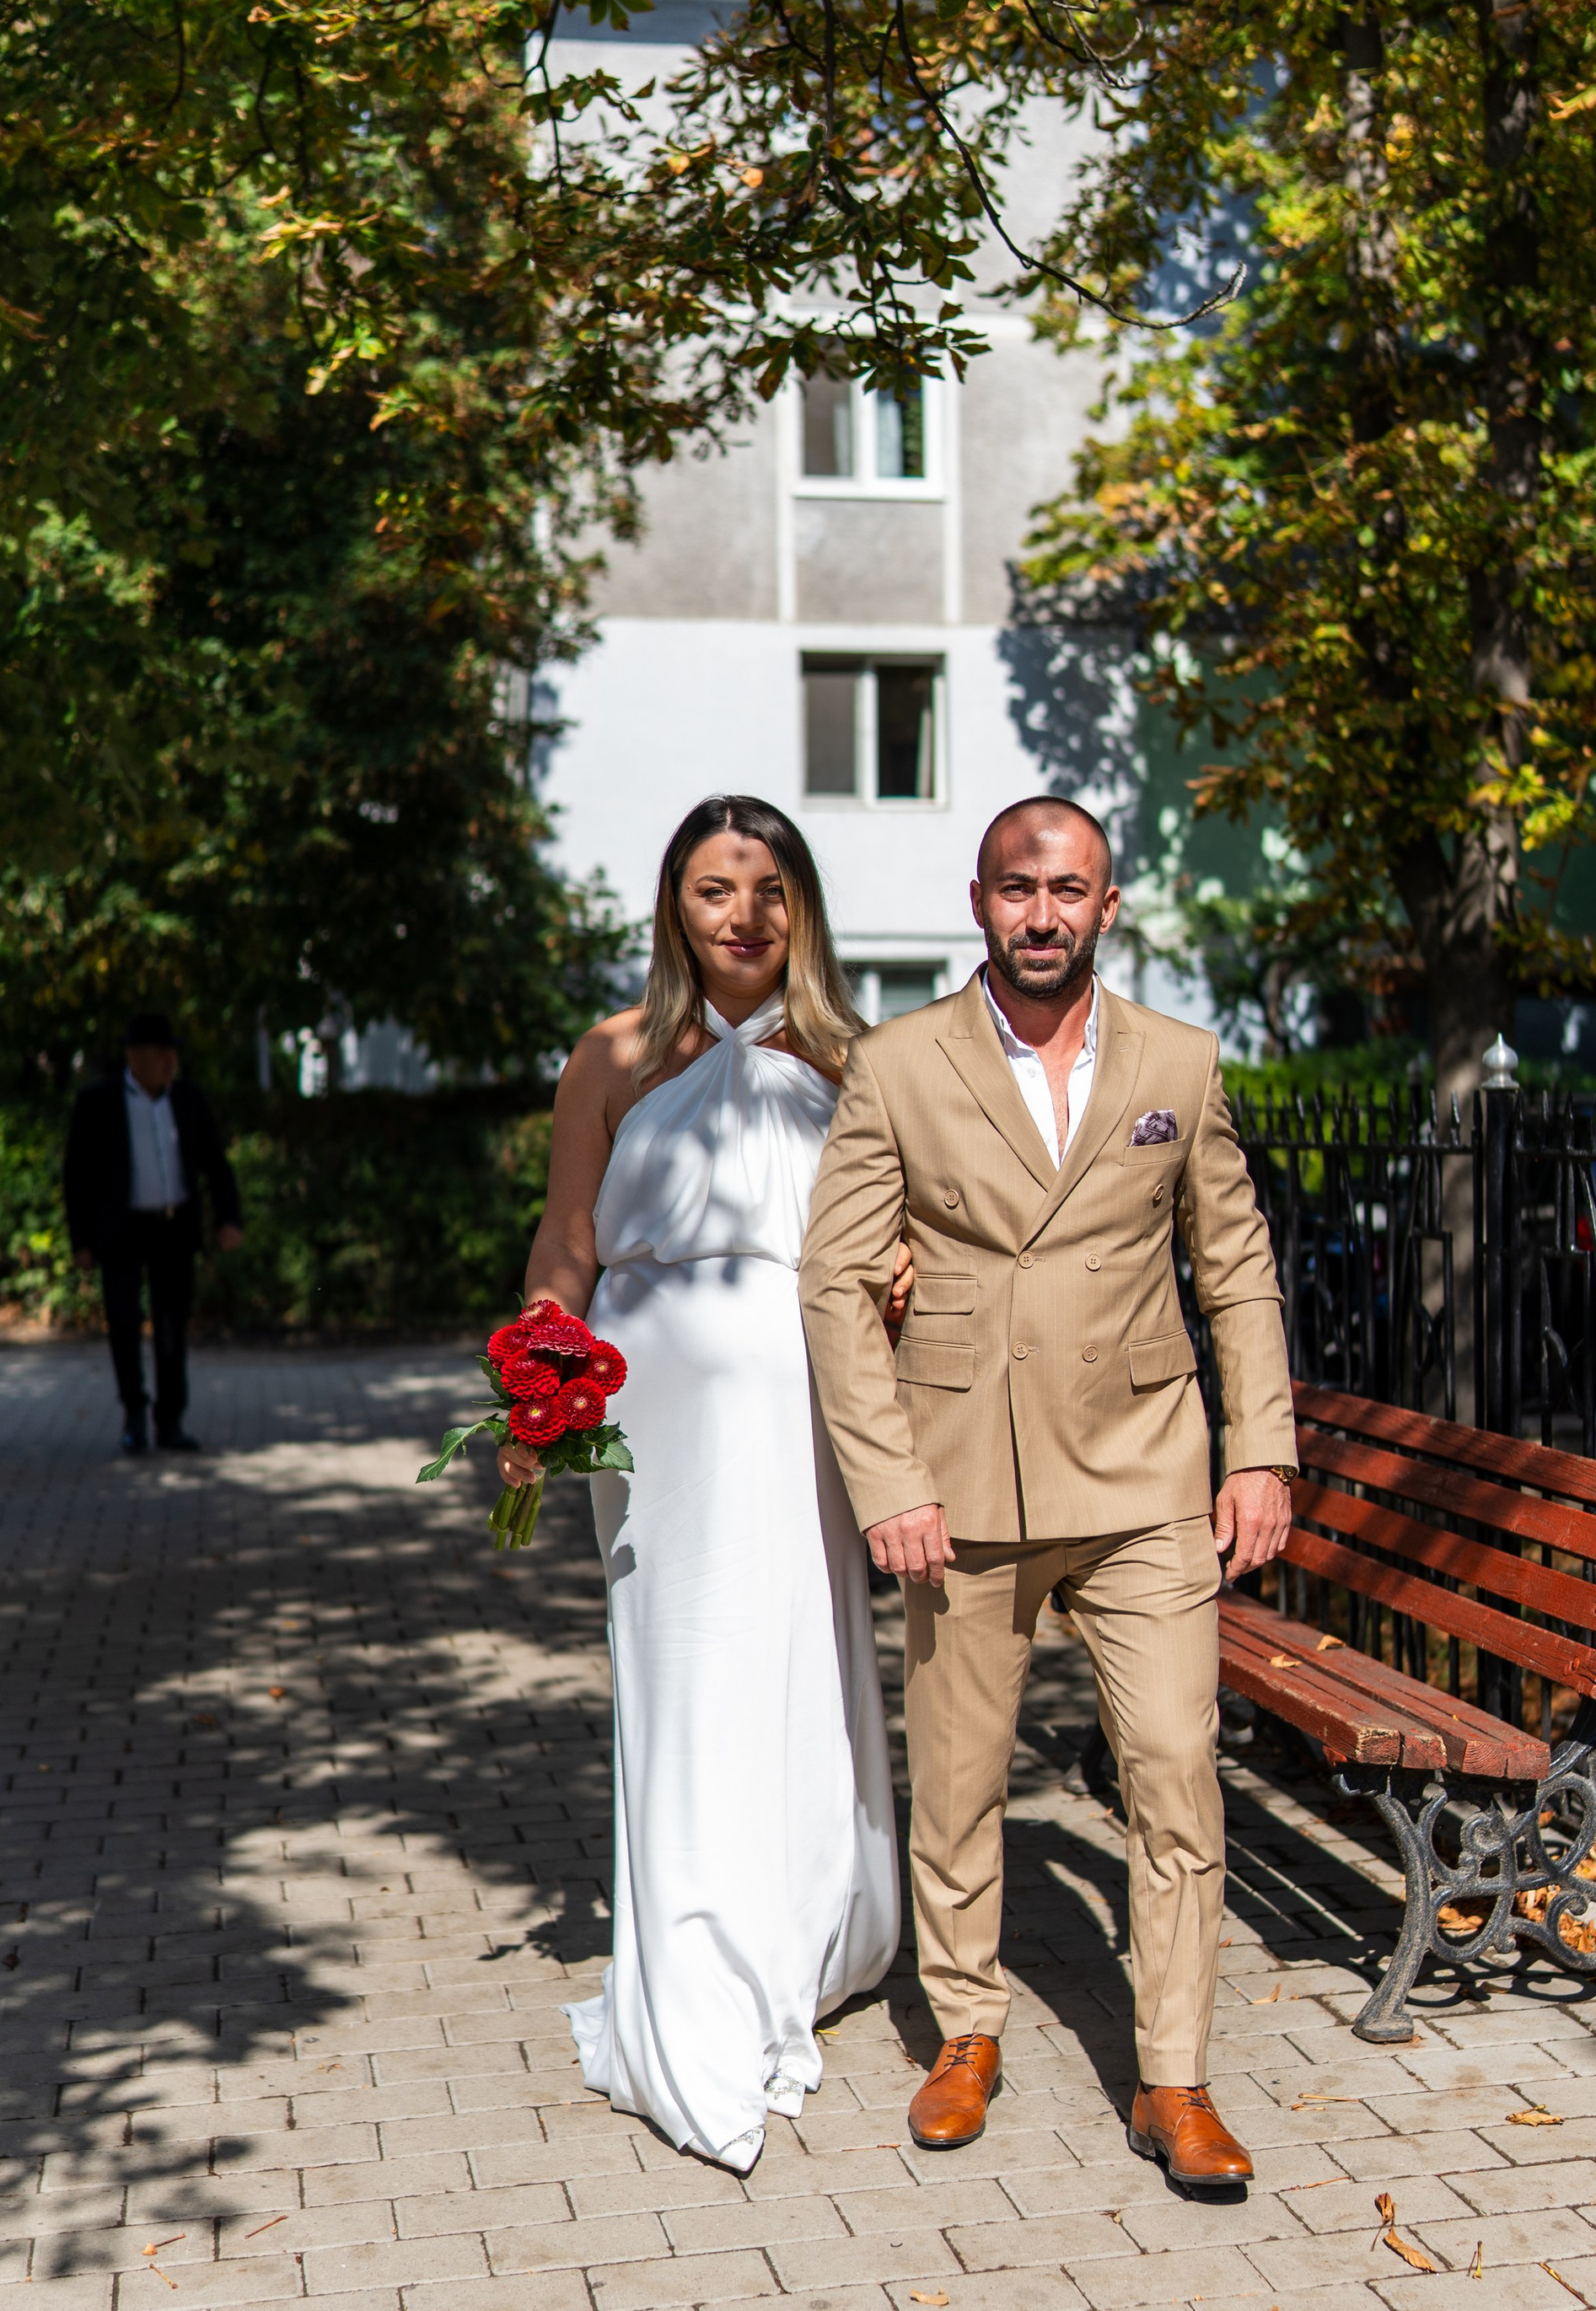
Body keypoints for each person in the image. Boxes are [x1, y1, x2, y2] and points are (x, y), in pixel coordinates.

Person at [798, 797, 1299, 2191]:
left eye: (1067, 889)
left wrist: (1261, 1450)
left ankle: (1175, 2077)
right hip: (961, 1484)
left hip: (1146, 1472)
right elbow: (837, 1282)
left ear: (1107, 905)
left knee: (1177, 1773)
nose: (1041, 912)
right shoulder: (899, 1067)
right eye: (1018, 887)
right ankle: (966, 2029)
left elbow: (1236, 1268)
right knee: (959, 1782)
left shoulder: (1177, 1065)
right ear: (979, 899)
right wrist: (887, 1474)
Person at [506, 795, 907, 2173]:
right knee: (679, 1676)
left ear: (803, 906)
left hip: (806, 1406)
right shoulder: (613, 1054)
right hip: (651, 1409)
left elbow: (902, 1235)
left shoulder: (856, 1058)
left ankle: (796, 1936)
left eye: (769, 886)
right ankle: (688, 1967)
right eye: (712, 886)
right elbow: (568, 1234)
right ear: (673, 904)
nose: (743, 912)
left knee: (798, 1662)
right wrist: (533, 1382)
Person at [63, 1011, 243, 1455]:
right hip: (121, 1229)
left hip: (173, 1226)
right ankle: (134, 1414)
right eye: (160, 1052)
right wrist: (82, 1241)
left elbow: (215, 1163)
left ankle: (170, 1421)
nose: (169, 1061)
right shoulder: (98, 1101)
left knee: (171, 1326)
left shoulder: (187, 1099)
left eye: (172, 1053)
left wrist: (229, 1217)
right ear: (134, 1056)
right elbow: (77, 1176)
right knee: (124, 1321)